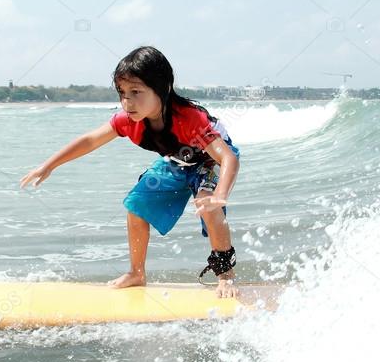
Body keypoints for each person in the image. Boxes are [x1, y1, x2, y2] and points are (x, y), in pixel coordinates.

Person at [19, 46, 242, 298]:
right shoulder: (129, 120)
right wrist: (49, 164)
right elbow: (91, 140)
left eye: (136, 92)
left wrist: (220, 193)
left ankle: (225, 276)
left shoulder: (190, 119)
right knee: (136, 204)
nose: (127, 102)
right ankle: (137, 273)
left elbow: (227, 157)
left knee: (207, 203)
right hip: (178, 161)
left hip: (210, 161)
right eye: (122, 93)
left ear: (163, 88)